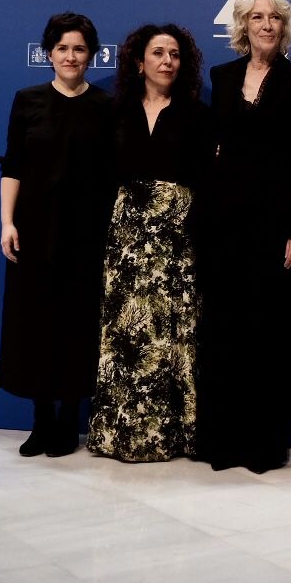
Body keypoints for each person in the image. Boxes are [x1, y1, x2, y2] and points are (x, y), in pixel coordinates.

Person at [197, 0, 291, 473]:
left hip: (275, 224)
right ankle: (222, 443)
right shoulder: (221, 77)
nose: (266, 24)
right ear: (242, 25)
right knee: (224, 332)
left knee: (268, 337)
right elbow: (216, 148)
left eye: (274, 18)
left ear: (284, 27)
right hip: (225, 224)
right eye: (256, 17)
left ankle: (262, 447)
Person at [87, 24, 211, 463]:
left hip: (177, 237)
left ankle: (172, 436)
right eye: (158, 53)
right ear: (139, 62)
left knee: (173, 334)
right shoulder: (113, 111)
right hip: (126, 236)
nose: (166, 61)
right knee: (125, 335)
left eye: (175, 54)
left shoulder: (197, 114)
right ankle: (121, 437)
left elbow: (205, 179)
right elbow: (101, 175)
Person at [0, 12, 115, 458]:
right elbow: (13, 167)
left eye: (80, 49)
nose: (71, 56)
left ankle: (69, 417)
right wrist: (8, 222)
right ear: (49, 53)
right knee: (35, 324)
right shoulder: (26, 100)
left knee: (77, 324)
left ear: (91, 55)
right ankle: (41, 418)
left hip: (87, 232)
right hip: (34, 229)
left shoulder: (106, 107)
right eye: (63, 48)